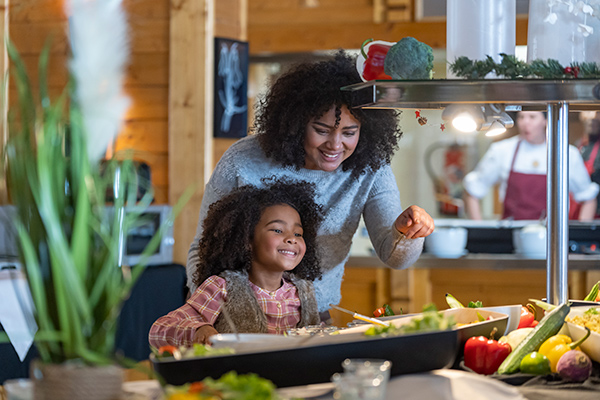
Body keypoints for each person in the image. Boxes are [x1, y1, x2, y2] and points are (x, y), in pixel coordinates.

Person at [187, 51, 434, 316]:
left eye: (349, 133)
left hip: (315, 315)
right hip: (236, 314)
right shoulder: (244, 159)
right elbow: (203, 248)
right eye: (322, 130)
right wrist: (206, 310)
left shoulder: (371, 167)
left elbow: (394, 256)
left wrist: (407, 231)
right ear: (295, 123)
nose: (335, 145)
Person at [149, 179, 323, 348]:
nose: (292, 239)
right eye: (277, 230)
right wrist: (199, 329)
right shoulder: (221, 287)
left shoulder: (304, 291)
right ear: (247, 239)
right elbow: (159, 330)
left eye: (298, 234)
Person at [463, 111, 599, 221]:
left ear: (546, 120)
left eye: (532, 117)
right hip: (511, 237)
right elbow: (473, 190)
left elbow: (588, 197)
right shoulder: (502, 150)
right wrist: (479, 229)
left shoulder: (566, 153)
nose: (525, 123)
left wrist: (579, 236)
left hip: (550, 240)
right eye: (521, 117)